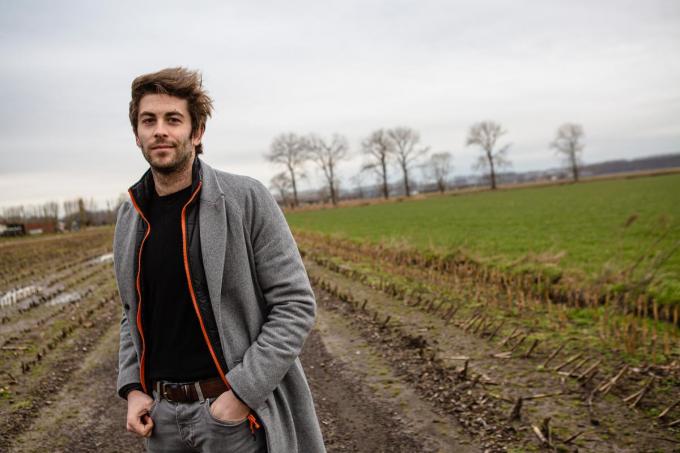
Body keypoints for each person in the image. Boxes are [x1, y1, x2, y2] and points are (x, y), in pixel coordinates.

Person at [113, 67, 325, 453]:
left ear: (196, 133)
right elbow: (132, 312)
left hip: (232, 419)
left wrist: (239, 396)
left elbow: (295, 305)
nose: (160, 130)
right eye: (149, 120)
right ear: (137, 134)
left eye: (173, 119)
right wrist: (132, 388)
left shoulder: (245, 199)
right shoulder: (130, 215)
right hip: (161, 423)